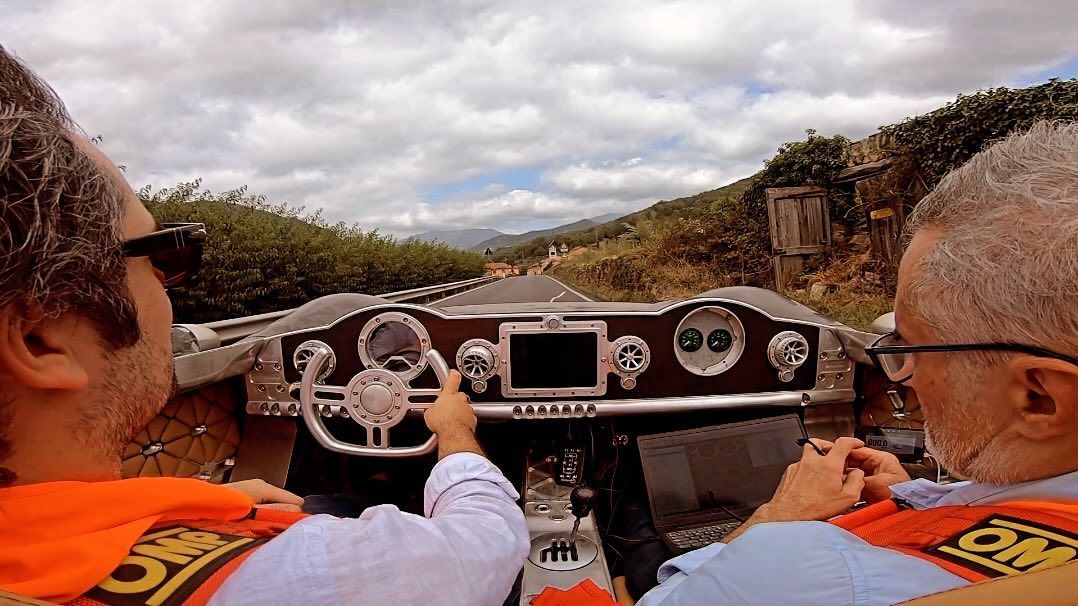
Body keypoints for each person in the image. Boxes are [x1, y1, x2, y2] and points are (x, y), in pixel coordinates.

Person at [0, 46, 528, 605]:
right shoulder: (281, 579)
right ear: (40, 338)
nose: (167, 287)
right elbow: (486, 545)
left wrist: (204, 505)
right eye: (163, 255)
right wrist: (454, 433)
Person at [632, 121, 1078, 605]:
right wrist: (916, 499)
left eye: (909, 349)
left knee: (634, 512)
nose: (903, 380)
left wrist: (777, 517)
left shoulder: (808, 571)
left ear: (1041, 398)